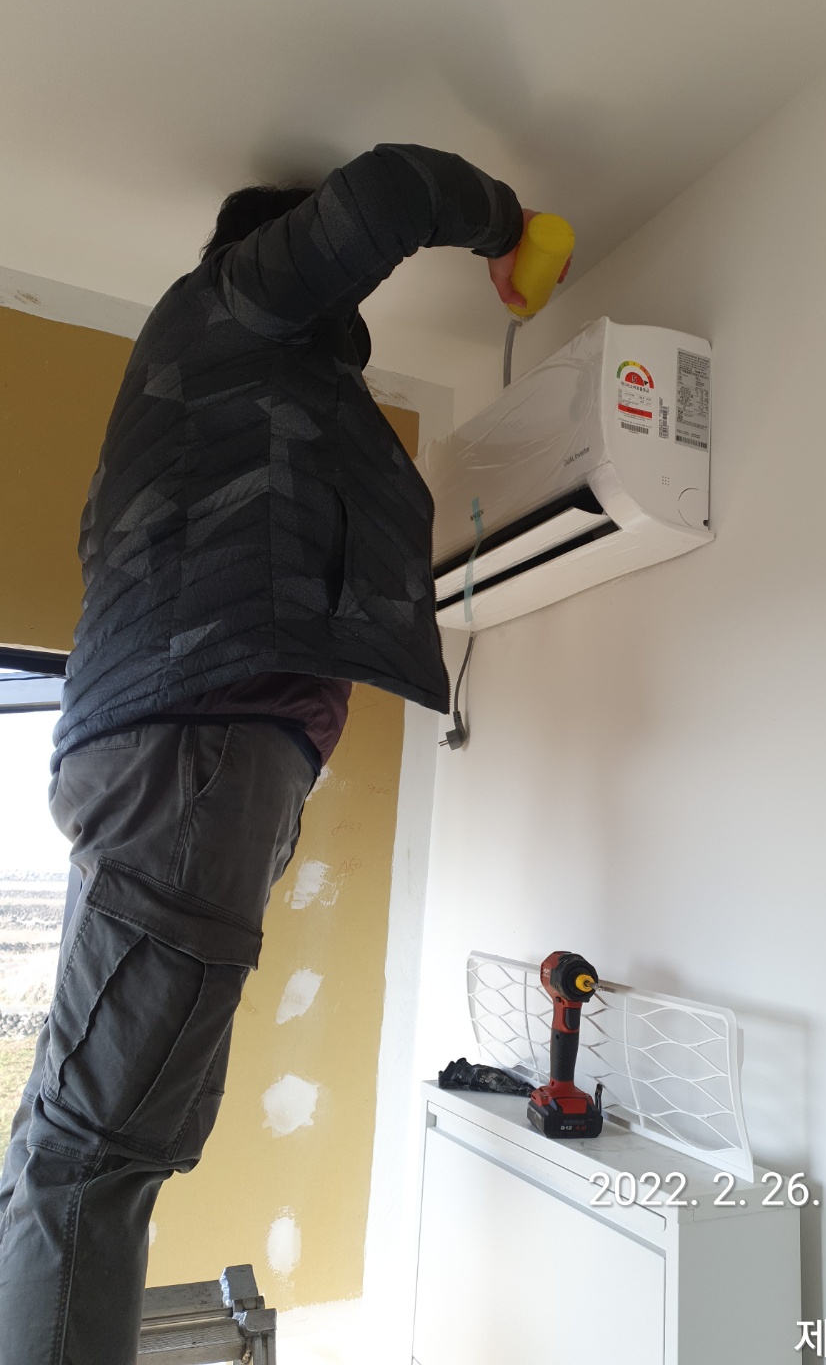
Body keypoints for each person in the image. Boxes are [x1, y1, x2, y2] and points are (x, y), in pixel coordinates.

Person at [0, 144, 542, 1365]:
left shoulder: (215, 390)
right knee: (90, 1162)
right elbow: (394, 190)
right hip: (194, 758)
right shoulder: (233, 305)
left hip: (173, 759)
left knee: (84, 1142)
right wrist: (508, 226)